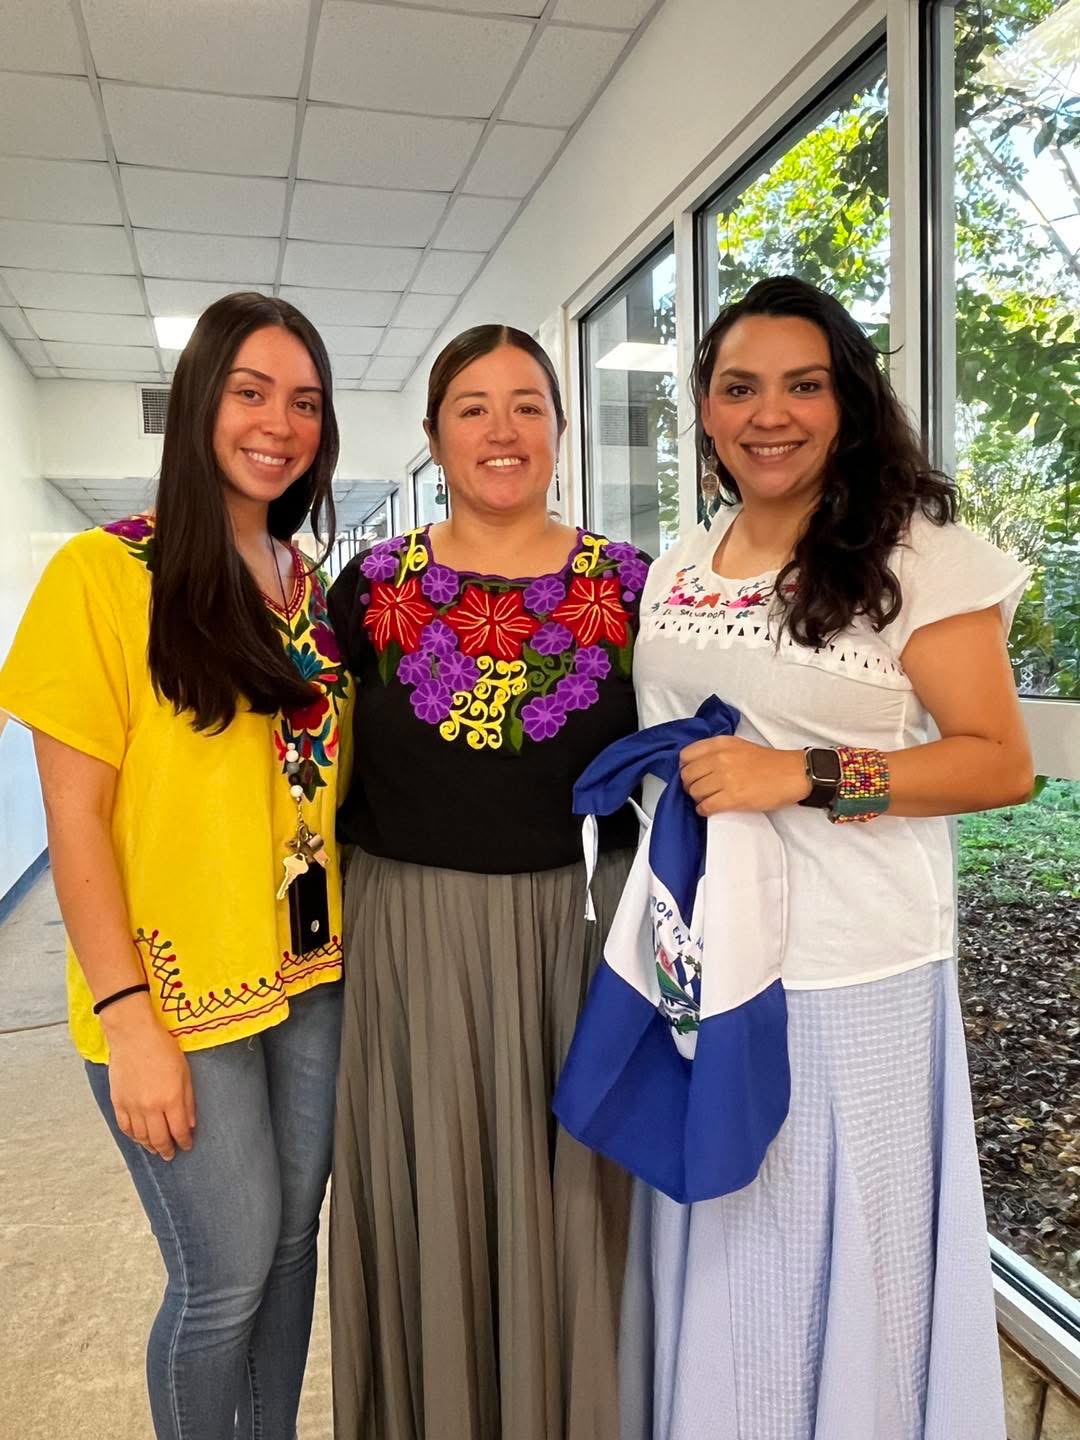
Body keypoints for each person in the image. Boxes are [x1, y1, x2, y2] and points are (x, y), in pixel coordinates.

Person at [617, 276, 1033, 1440]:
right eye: (739, 387)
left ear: (847, 402)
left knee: (840, 1265)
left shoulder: (918, 555)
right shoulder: (684, 560)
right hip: (705, 967)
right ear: (705, 409)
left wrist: (802, 773)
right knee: (727, 1249)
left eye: (803, 386)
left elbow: (998, 762)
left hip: (852, 977)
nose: (770, 414)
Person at [0, 292, 350, 1440]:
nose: (278, 423)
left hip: (309, 974)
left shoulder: (306, 588)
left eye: (304, 401)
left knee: (292, 1246)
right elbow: (76, 822)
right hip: (172, 994)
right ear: (199, 402)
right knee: (225, 1272)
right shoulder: (103, 575)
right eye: (251, 392)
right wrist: (127, 1018)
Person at [327, 324, 650, 1440]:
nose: (501, 430)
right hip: (412, 938)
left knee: (576, 1200)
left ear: (561, 429)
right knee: (431, 1193)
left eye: (527, 405)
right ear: (434, 435)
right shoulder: (371, 590)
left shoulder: (631, 587)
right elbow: (308, 767)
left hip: (579, 938)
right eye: (473, 407)